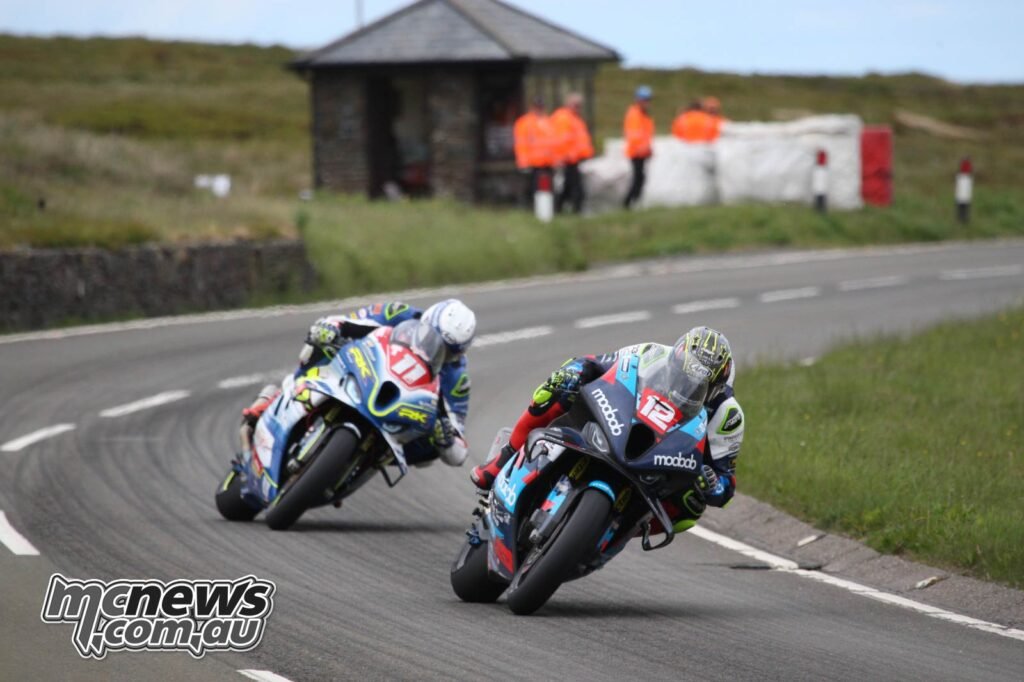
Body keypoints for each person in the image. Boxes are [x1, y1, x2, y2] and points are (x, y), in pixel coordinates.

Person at [470, 326, 744, 535]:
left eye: (700, 387)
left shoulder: (727, 415)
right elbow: (596, 363)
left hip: (665, 463)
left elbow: (726, 485)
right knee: (554, 392)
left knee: (692, 504)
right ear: (675, 359)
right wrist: (571, 373)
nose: (689, 389)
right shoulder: (651, 353)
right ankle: (500, 463)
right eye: (685, 377)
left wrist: (712, 482)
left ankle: (622, 529)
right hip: (620, 424)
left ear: (717, 387)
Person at [243, 299, 477, 468]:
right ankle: (280, 395)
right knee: (320, 343)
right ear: (425, 321)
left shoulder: (457, 378)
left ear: (459, 353)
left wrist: (446, 437)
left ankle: (361, 462)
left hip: (404, 412)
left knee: (429, 452)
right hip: (367, 371)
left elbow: (459, 447)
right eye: (431, 336)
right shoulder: (400, 313)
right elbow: (351, 320)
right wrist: (331, 328)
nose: (436, 349)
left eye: (448, 352)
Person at [549, 92, 594, 214]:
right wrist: (560, 158)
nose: (578, 107)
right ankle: (575, 211)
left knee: (568, 188)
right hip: (566, 160)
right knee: (576, 189)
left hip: (574, 159)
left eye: (580, 105)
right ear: (568, 104)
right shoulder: (563, 118)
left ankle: (558, 209)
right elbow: (560, 140)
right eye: (575, 104)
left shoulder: (575, 118)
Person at [513, 97, 556, 207]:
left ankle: (546, 209)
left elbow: (554, 142)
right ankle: (534, 208)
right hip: (534, 163)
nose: (539, 109)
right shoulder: (524, 122)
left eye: (541, 107)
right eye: (537, 107)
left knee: (547, 188)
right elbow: (521, 144)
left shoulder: (548, 121)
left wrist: (556, 159)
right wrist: (523, 162)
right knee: (535, 188)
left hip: (548, 163)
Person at [623, 85, 655, 209]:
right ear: (638, 100)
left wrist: (648, 148)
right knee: (638, 179)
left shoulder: (644, 115)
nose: (647, 102)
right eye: (644, 99)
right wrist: (640, 148)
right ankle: (628, 203)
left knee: (640, 178)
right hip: (636, 153)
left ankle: (634, 203)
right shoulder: (634, 114)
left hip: (642, 153)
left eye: (648, 99)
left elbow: (646, 135)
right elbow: (633, 134)